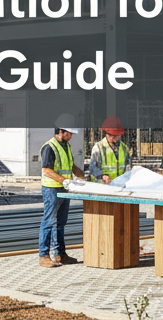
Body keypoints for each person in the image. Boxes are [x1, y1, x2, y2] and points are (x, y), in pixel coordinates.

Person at [38, 113, 84, 267]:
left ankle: (59, 254)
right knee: (49, 221)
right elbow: (47, 170)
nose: (71, 136)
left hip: (64, 188)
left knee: (60, 222)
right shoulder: (49, 147)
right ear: (61, 131)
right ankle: (44, 255)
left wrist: (82, 176)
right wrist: (64, 180)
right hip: (52, 189)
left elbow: (70, 166)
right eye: (69, 133)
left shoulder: (66, 146)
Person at [89, 116, 133, 183]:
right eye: (110, 135)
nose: (112, 137)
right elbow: (93, 167)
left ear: (119, 135)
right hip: (102, 186)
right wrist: (102, 176)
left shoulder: (124, 148)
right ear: (106, 133)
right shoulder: (99, 147)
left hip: (120, 186)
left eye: (115, 135)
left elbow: (128, 166)